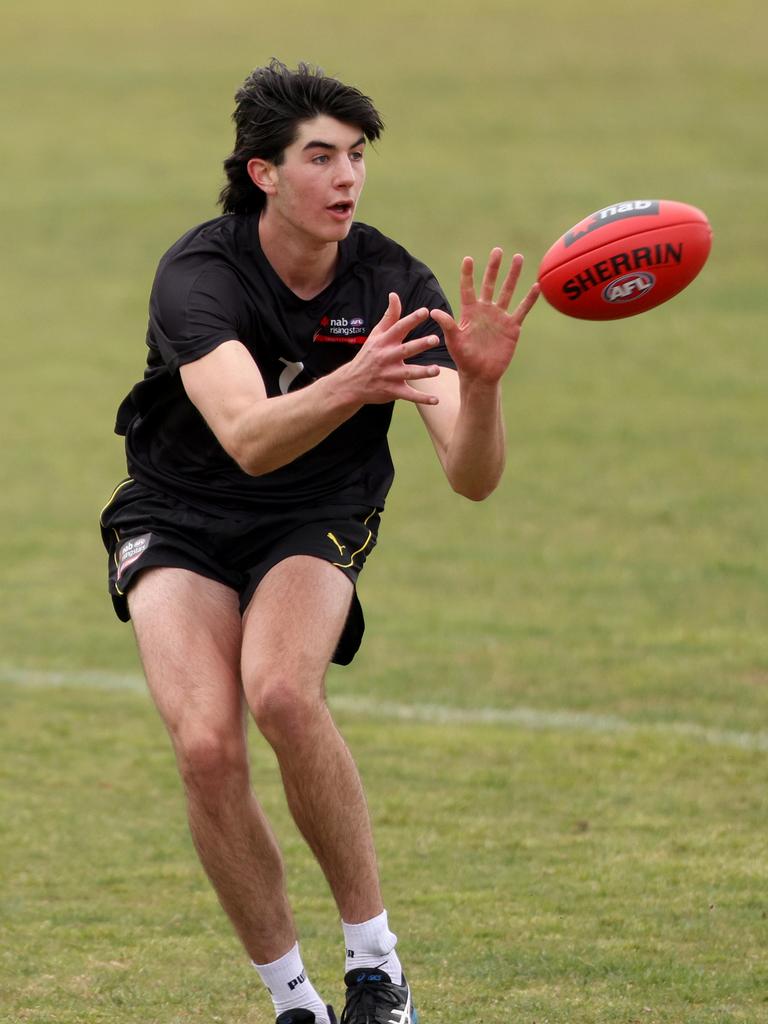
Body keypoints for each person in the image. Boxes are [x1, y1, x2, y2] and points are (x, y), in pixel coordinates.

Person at [100, 58, 538, 1024]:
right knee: (208, 745)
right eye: (320, 157)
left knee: (285, 693)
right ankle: (292, 999)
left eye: (358, 157)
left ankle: (375, 968)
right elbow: (250, 438)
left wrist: (488, 384)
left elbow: (473, 478)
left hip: (317, 510)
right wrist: (360, 376)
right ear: (263, 172)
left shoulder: (392, 280)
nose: (346, 178)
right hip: (179, 511)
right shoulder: (200, 275)